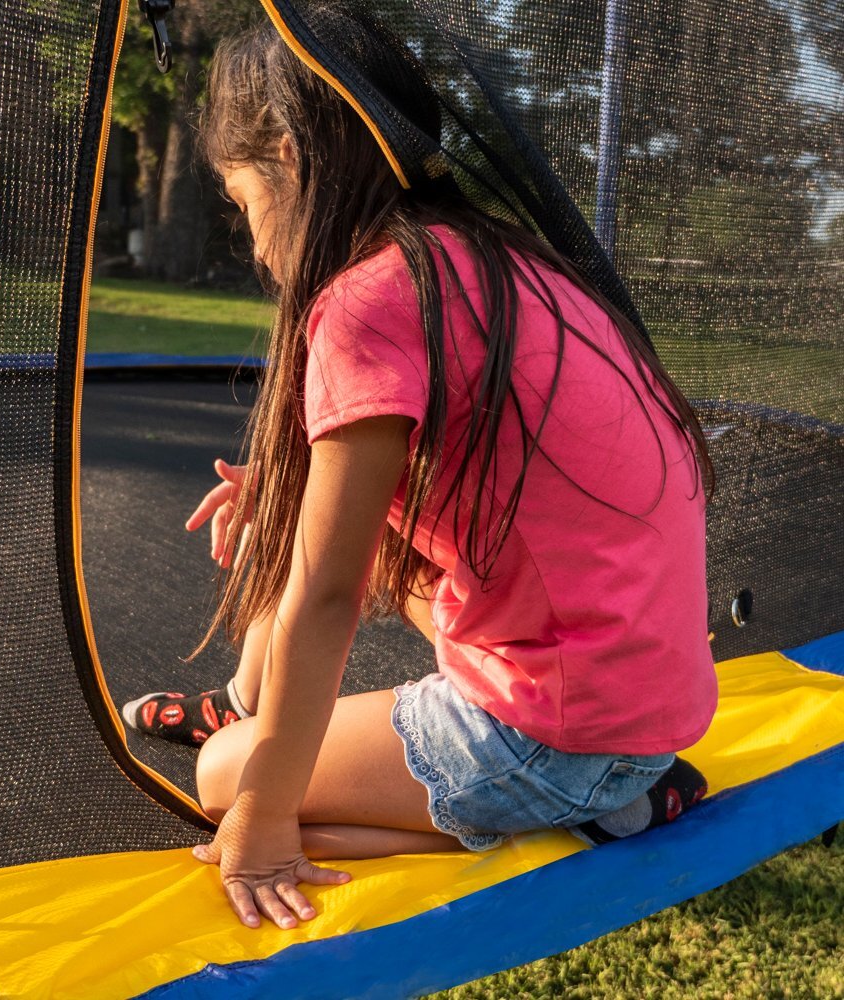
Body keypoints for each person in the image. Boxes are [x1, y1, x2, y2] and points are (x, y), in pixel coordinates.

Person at [121, 10, 716, 931]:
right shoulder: (496, 258)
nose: (251, 244)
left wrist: (267, 813)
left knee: (220, 780)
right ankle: (238, 704)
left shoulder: (367, 298)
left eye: (241, 204)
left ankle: (582, 817)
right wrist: (285, 502)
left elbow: (326, 597)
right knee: (295, 530)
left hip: (564, 731)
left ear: (286, 156)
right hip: (650, 693)